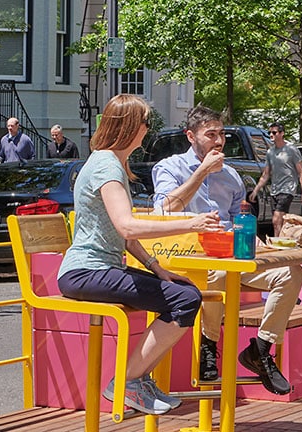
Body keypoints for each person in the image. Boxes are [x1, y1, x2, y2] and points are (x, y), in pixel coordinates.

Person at [57, 94, 224, 416]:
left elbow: (123, 235)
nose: (149, 129)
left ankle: (138, 380)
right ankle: (128, 382)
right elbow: (127, 227)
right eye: (147, 122)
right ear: (132, 126)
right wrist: (192, 222)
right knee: (184, 300)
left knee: (187, 293)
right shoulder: (106, 164)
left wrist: (157, 268)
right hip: (85, 272)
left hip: (92, 269)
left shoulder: (110, 161)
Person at [151, 106, 302, 395]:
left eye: (221, 134)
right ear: (190, 136)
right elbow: (165, 210)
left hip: (229, 256)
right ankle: (209, 344)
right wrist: (202, 171)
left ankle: (260, 349)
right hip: (185, 260)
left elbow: (238, 221)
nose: (219, 141)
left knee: (290, 272)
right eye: (210, 135)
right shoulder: (169, 167)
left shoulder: (231, 175)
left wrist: (253, 239)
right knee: (220, 272)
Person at [250, 123, 302, 232]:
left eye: (274, 132)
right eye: (269, 133)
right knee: (279, 221)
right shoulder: (270, 152)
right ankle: (283, 242)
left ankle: (278, 244)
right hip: (274, 190)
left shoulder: (291, 149)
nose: (271, 135)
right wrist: (255, 190)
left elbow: (300, 171)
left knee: (276, 219)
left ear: (282, 133)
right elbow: (266, 174)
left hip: (288, 188)